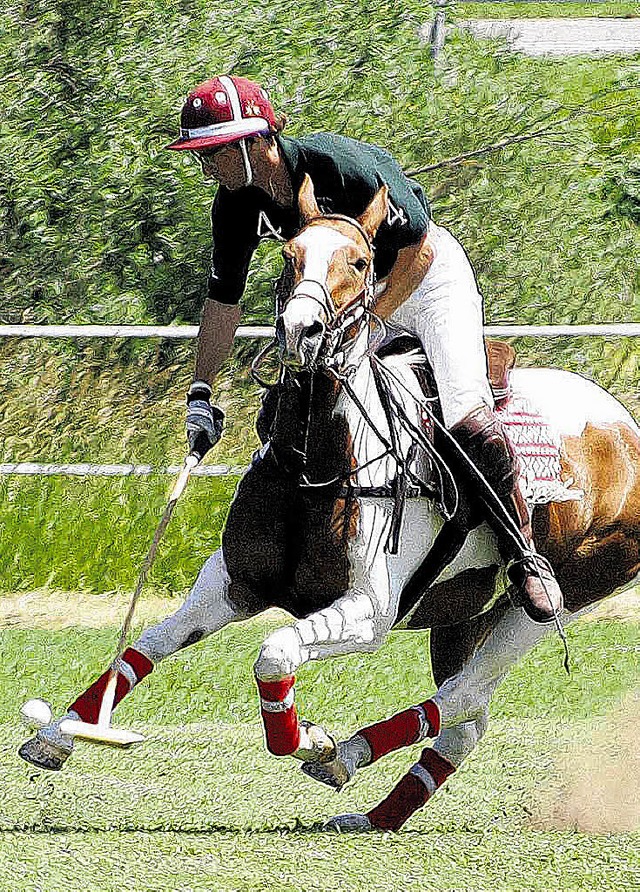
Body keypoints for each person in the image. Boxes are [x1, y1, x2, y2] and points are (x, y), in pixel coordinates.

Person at [169, 74, 562, 624]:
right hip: (346, 297)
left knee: (465, 415)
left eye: (212, 153)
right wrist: (202, 391)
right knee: (288, 408)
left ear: (255, 142)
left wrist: (370, 318)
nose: (206, 167)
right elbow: (223, 302)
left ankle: (524, 556)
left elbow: (419, 251)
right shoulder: (232, 207)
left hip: (425, 283)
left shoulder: (341, 166)